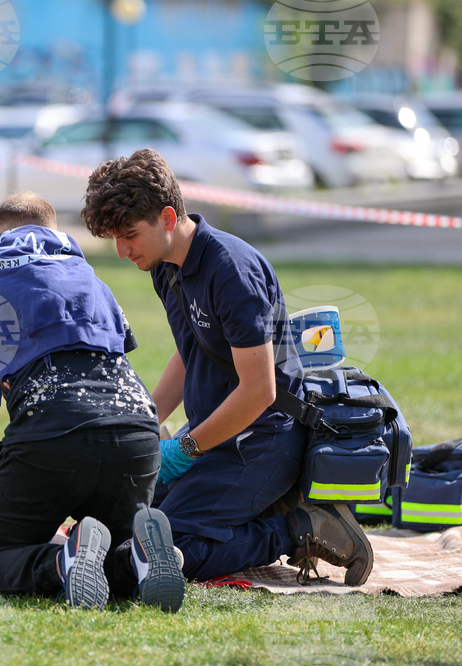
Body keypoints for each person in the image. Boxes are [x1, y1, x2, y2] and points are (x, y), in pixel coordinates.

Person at [80, 149, 374, 586]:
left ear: (166, 217)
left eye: (129, 235)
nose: (122, 251)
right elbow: (189, 353)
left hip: (265, 440)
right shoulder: (165, 266)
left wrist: (184, 451)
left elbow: (260, 391)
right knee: (123, 515)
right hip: (214, 435)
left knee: (167, 551)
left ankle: (302, 527)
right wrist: (143, 429)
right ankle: (248, 509)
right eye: (114, 239)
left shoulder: (230, 270)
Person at [0, 193, 187, 612]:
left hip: (52, 438)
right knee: (113, 548)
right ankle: (135, 559)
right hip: (135, 439)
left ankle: (64, 561)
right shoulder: (96, 284)